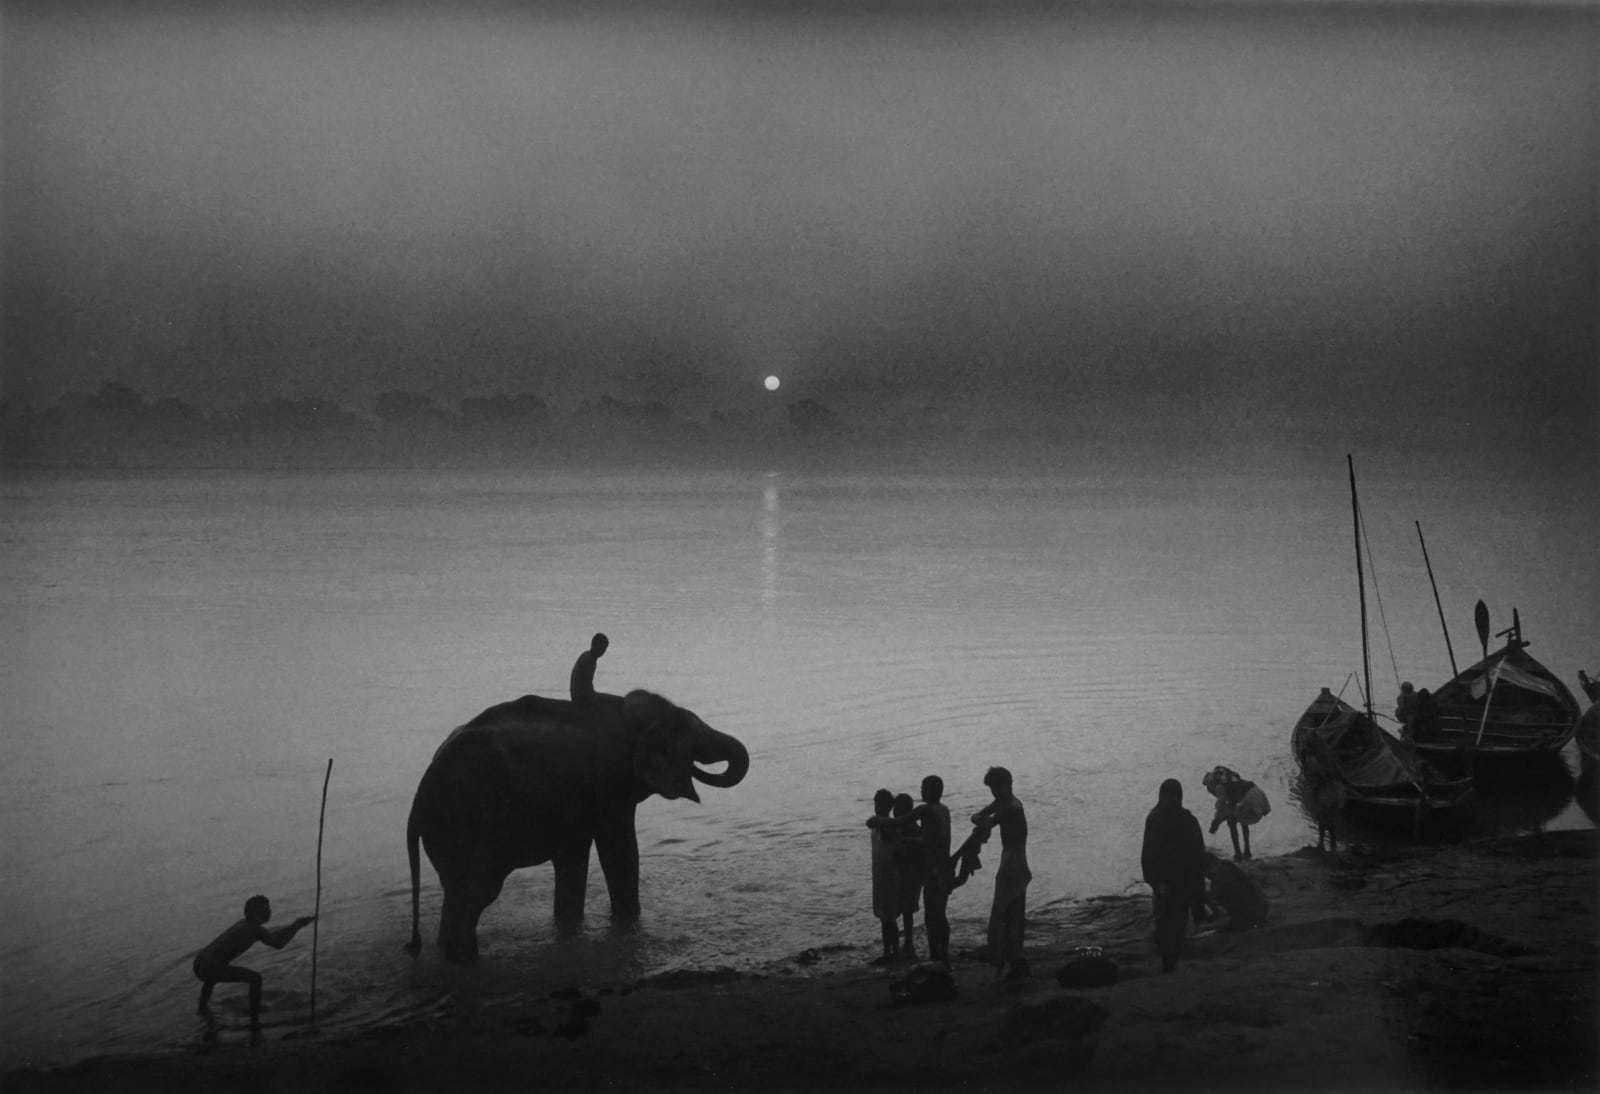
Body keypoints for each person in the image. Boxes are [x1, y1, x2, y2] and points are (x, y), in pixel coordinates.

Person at [193, 895, 314, 1029]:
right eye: (266, 908)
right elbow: (278, 944)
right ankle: (254, 1019)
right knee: (255, 979)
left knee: (213, 977)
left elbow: (270, 935)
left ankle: (202, 1007)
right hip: (210, 967)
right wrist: (297, 925)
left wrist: (293, 925)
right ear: (257, 913)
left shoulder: (244, 923)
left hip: (199, 963)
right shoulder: (256, 929)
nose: (270, 911)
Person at [868, 775, 953, 965]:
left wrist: (878, 821)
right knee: (939, 915)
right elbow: (931, 838)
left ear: (931, 791)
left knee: (931, 916)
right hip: (943, 867)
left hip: (932, 870)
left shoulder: (926, 809)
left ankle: (935, 957)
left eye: (924, 787)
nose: (921, 790)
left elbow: (900, 822)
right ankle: (943, 956)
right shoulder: (944, 809)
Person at [971, 766, 1031, 980]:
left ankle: (1013, 958)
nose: (995, 793)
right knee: (1007, 910)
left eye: (997, 788)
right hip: (1010, 857)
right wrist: (980, 819)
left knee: (1007, 909)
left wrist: (980, 820)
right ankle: (1010, 957)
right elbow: (980, 816)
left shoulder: (1011, 807)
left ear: (1008, 785)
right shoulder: (1003, 803)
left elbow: (986, 819)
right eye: (993, 789)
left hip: (1014, 860)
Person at [1140, 778, 1206, 973]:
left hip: (1167, 880)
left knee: (1166, 921)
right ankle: (1171, 962)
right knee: (1176, 921)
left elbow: (1148, 852)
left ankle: (1169, 963)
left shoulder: (1155, 818)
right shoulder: (1188, 819)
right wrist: (1198, 888)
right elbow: (1198, 854)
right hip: (1180, 879)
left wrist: (1152, 880)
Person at [1201, 766, 1271, 861]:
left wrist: (1216, 822)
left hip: (1249, 797)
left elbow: (1221, 805)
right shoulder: (1227, 779)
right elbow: (1228, 805)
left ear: (1210, 783)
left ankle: (1238, 853)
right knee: (1241, 821)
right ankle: (1247, 851)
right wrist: (1219, 818)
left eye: (1207, 786)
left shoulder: (1218, 786)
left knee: (1231, 821)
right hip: (1256, 791)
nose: (1207, 789)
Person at [889, 793, 926, 961]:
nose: (895, 811)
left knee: (906, 911)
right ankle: (904, 944)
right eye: (895, 808)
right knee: (905, 911)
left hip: (910, 875)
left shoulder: (910, 829)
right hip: (904, 874)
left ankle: (907, 944)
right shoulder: (905, 828)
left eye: (898, 808)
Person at [868, 789, 901, 965]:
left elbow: (890, 838)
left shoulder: (890, 824)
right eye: (876, 804)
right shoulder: (878, 824)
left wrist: (881, 823)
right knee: (884, 916)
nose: (877, 807)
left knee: (889, 916)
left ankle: (894, 951)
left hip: (889, 875)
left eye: (880, 804)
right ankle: (888, 951)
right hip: (879, 874)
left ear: (888, 806)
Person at [1200, 852, 1269, 931]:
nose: (1206, 876)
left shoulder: (1218, 873)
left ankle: (1237, 921)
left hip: (1250, 915)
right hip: (1261, 909)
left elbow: (1215, 894)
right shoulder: (1226, 864)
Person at [569, 633, 609, 705]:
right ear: (595, 645)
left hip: (578, 696)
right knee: (617, 701)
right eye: (602, 647)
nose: (603, 651)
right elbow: (587, 685)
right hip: (581, 699)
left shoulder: (586, 655)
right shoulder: (589, 660)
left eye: (605, 648)